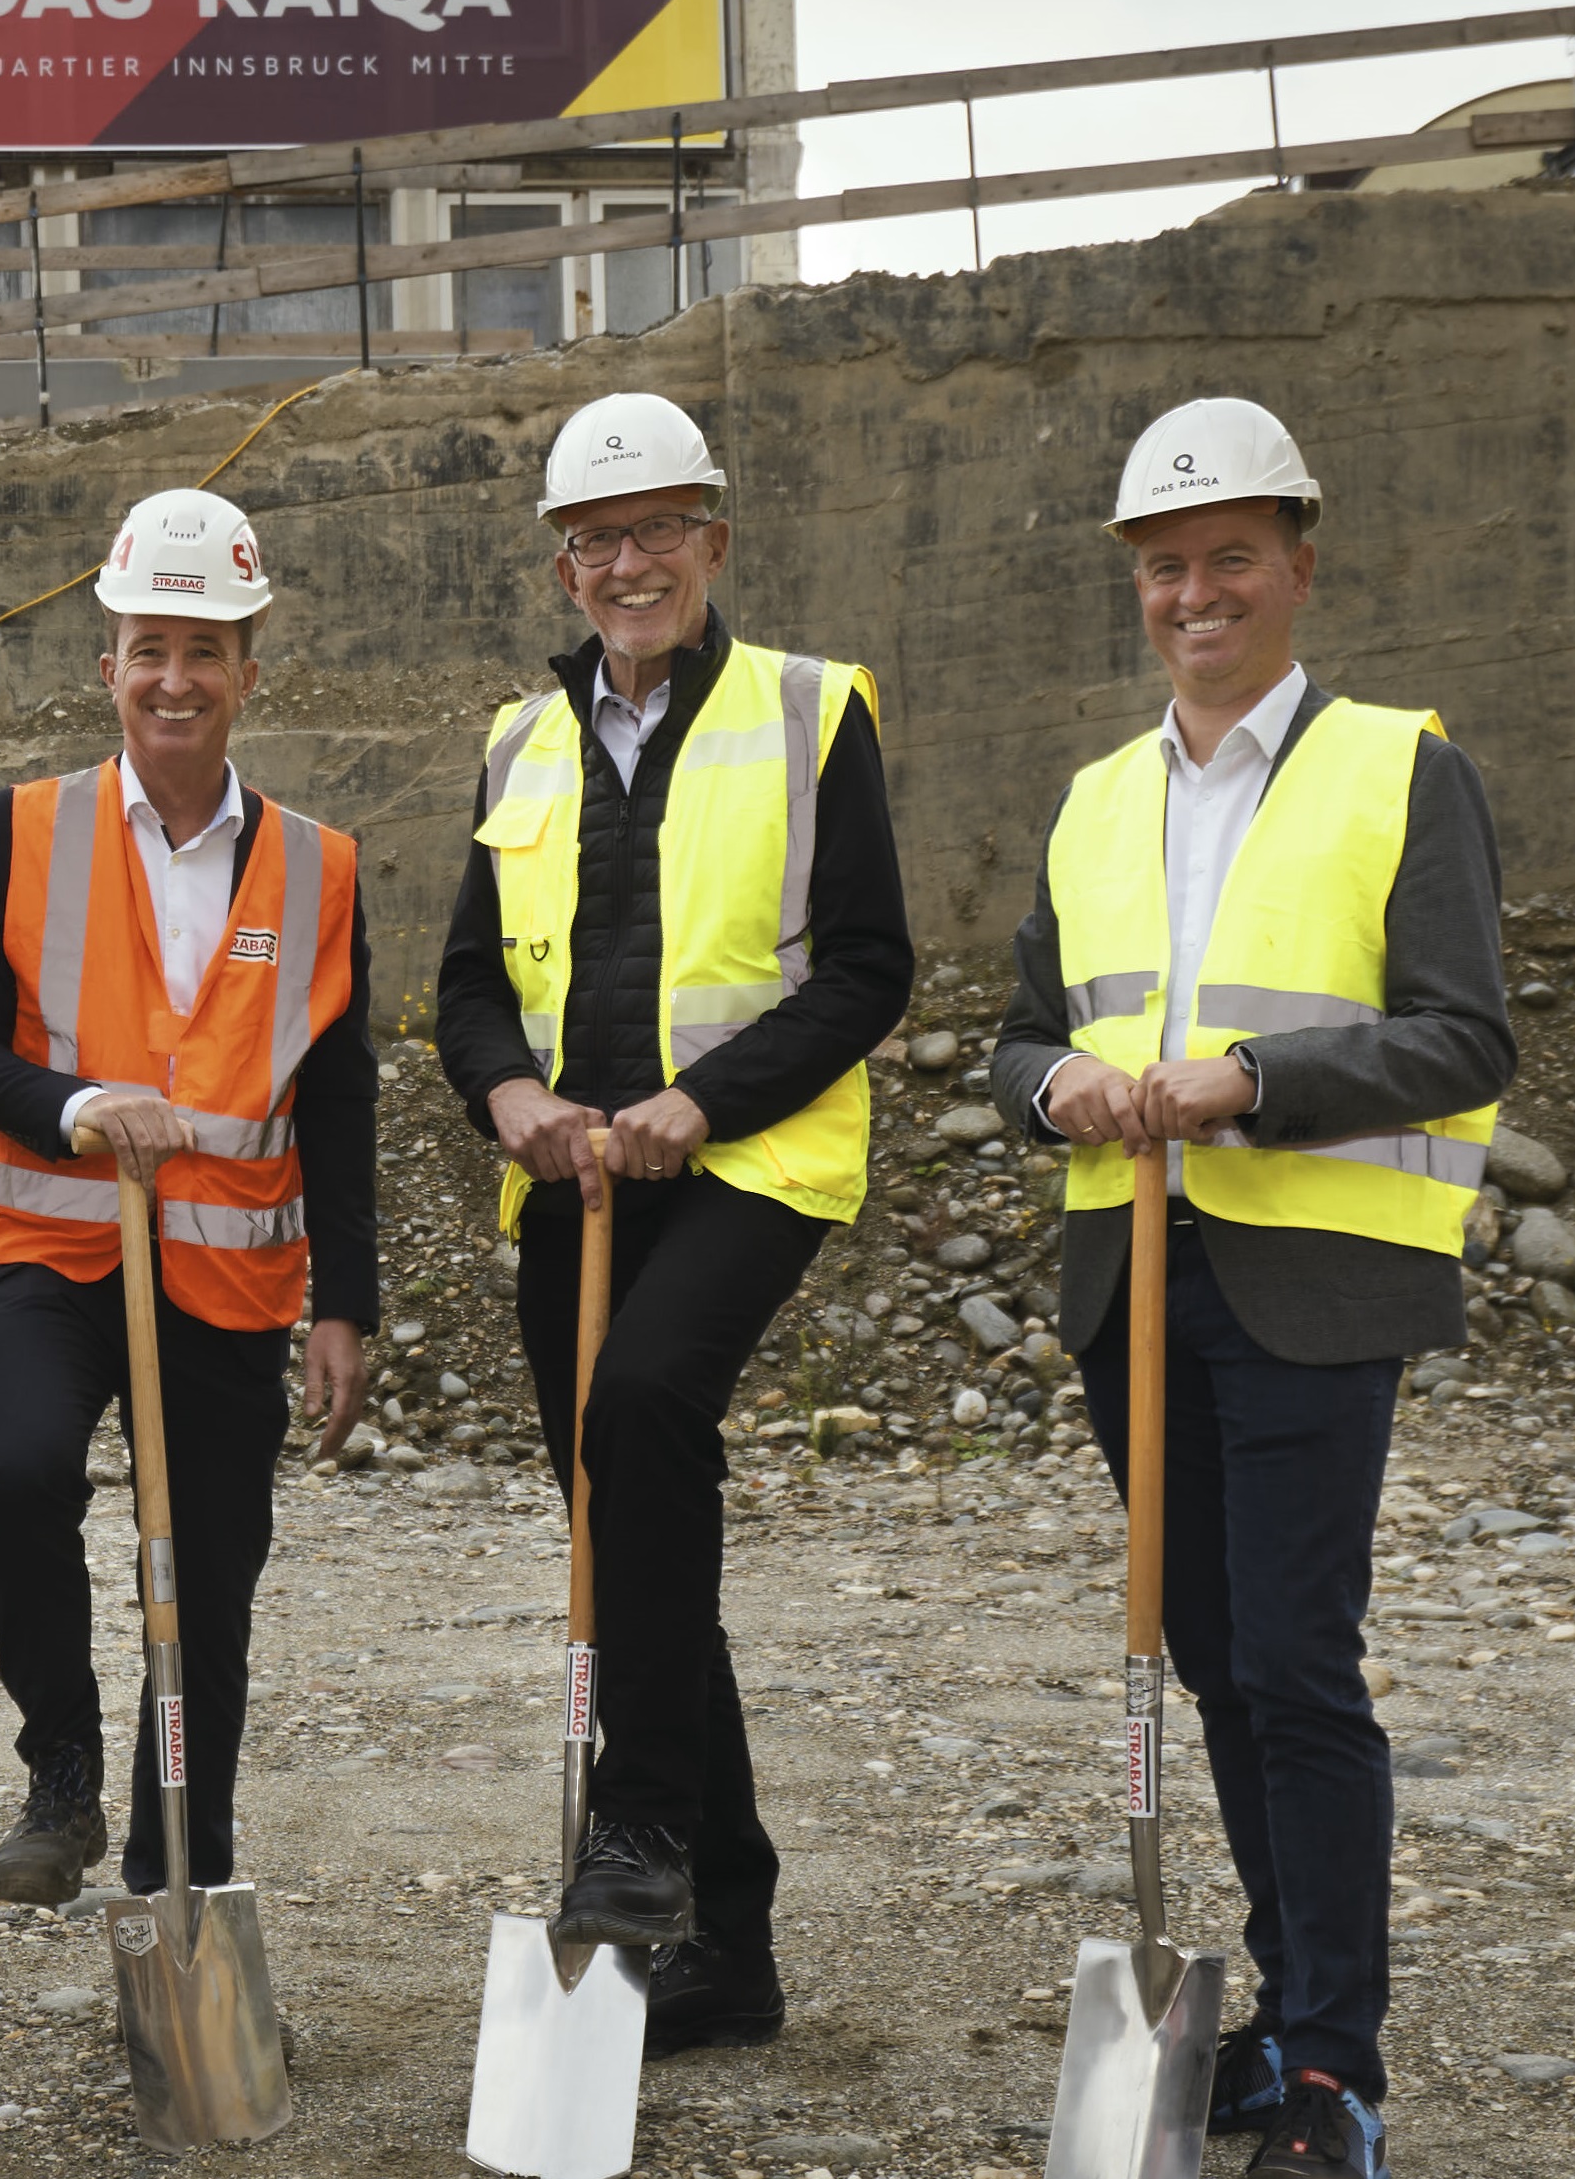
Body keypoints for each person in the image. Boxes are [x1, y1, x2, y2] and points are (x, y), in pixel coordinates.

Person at [994, 397, 1508, 2179]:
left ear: (1298, 558)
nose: (1194, 592)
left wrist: (1251, 1084)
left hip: (1317, 1281)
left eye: (1227, 557)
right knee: (1209, 1658)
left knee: (1294, 1660)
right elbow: (1015, 1035)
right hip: (1129, 1278)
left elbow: (1462, 1033)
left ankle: (1333, 2069)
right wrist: (1054, 1083)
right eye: (1163, 566)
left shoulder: (1397, 767)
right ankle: (1281, 2011)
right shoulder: (1090, 801)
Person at [433, 387, 911, 2056]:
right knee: (631, 1529)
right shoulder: (519, 739)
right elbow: (469, 986)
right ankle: (734, 1940)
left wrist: (700, 1102)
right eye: (595, 541)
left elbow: (867, 964)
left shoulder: (803, 708)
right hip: (565, 1178)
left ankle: (631, 1835)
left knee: (641, 1409)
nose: (625, 563)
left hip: (745, 1165)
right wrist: (509, 1099)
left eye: (655, 531)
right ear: (563, 568)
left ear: (712, 536)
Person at [0, 485, 377, 1911]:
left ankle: (184, 1853)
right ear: (103, 665)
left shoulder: (319, 866)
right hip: (47, 1248)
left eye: (203, 649)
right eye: (145, 649)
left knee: (207, 1572)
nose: (172, 678)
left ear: (250, 668)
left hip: (226, 1281)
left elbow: (338, 1096)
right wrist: (67, 1103)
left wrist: (345, 1304)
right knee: (21, 1472)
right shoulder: (27, 826)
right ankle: (59, 1764)